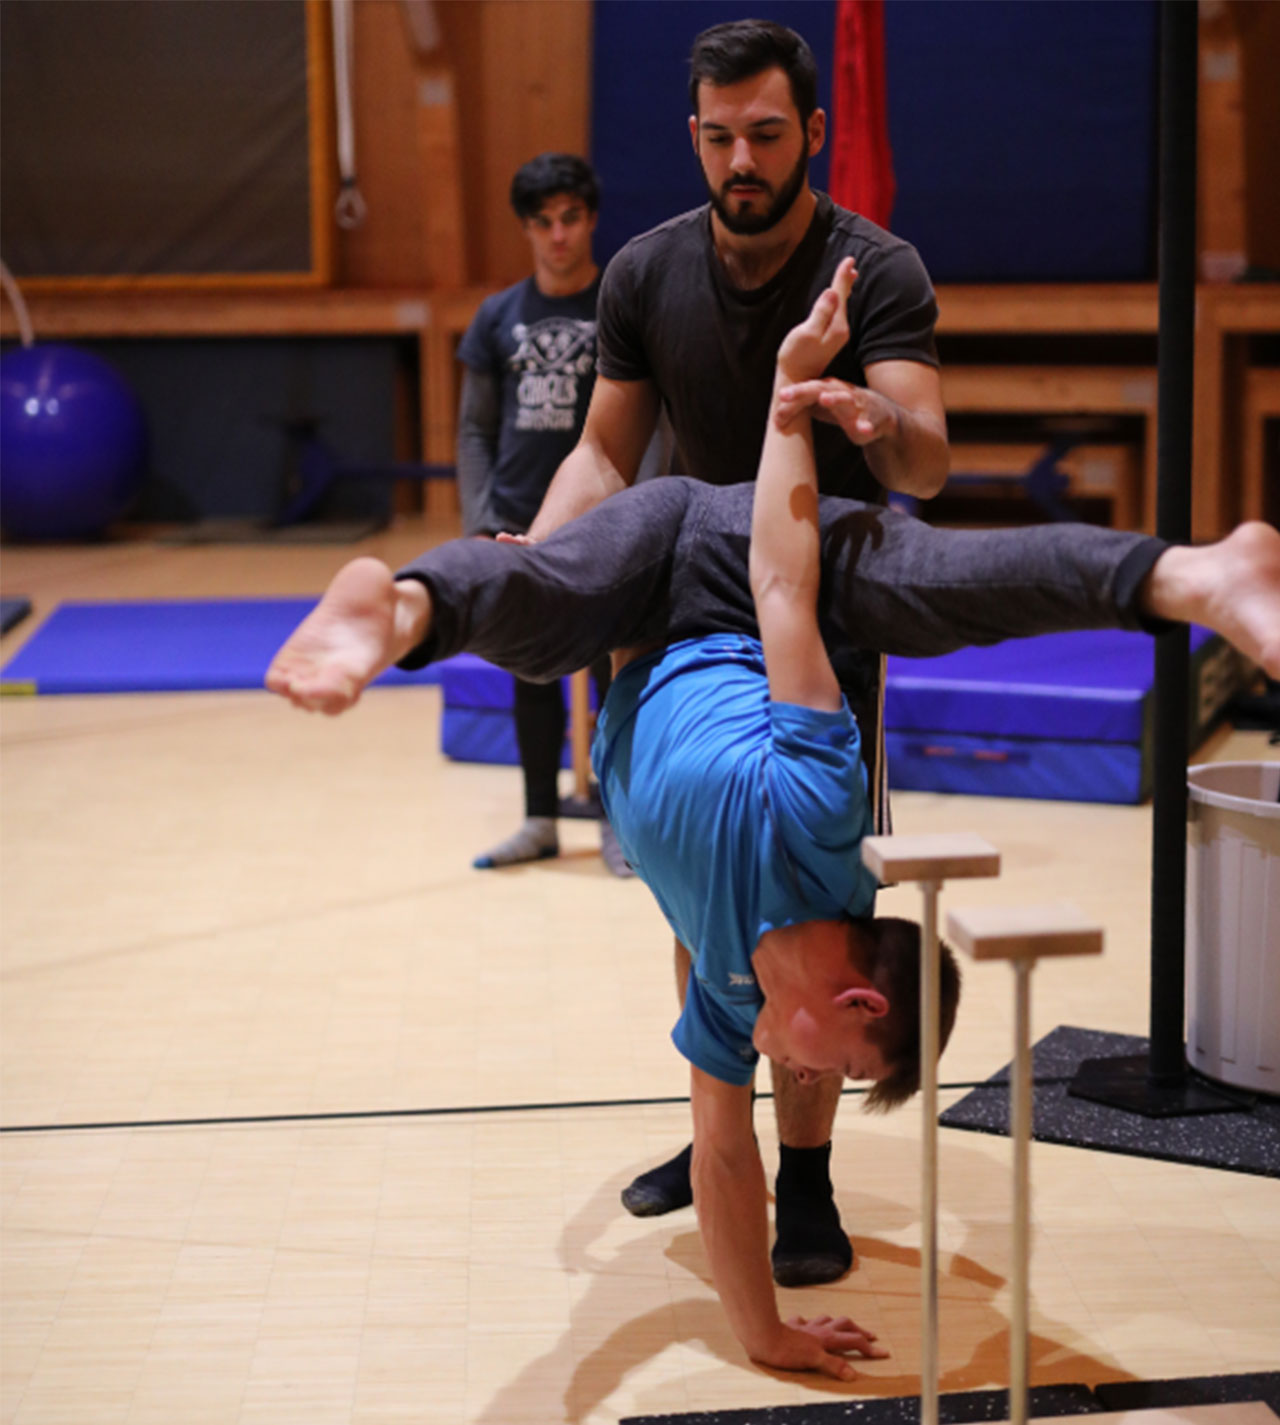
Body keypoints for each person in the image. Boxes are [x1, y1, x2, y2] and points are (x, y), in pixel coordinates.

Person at [266, 265, 1280, 1380]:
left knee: (549, 624)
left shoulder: (731, 995)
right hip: (704, 556)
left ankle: (421, 607)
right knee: (931, 580)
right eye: (836, 1060)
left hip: (639, 641)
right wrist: (788, 402)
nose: (809, 1072)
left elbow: (720, 1155)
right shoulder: (819, 820)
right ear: (857, 999)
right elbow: (783, 589)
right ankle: (398, 608)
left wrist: (765, 1336)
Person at [511, 17, 949, 1287]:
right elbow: (603, 455)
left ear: (810, 131)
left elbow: (927, 460)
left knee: (819, 915)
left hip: (816, 615)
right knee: (700, 894)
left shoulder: (876, 267)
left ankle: (804, 1176)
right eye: (717, 138)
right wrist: (537, 565)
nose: (739, 161)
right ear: (692, 136)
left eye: (763, 135)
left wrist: (868, 414)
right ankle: (719, 1126)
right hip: (678, 607)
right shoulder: (644, 271)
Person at [455, 151, 635, 875]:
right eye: (543, 222)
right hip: (515, 522)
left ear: (590, 219)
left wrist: (638, 508)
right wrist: (479, 518)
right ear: (526, 228)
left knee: (614, 676)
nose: (558, 235)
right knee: (528, 670)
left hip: (604, 524)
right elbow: (474, 429)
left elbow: (649, 416)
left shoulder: (621, 307)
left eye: (570, 218)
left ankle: (620, 824)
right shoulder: (496, 317)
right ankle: (538, 819)